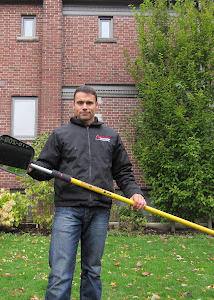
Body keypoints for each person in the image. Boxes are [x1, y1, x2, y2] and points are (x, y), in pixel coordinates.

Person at [28, 85, 146, 300]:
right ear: (73, 105)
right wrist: (33, 169)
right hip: (68, 210)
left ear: (96, 105)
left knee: (92, 270)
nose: (84, 107)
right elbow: (45, 167)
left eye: (89, 103)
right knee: (60, 272)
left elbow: (123, 171)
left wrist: (135, 192)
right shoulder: (61, 134)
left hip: (99, 212)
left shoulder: (110, 136)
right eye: (80, 103)